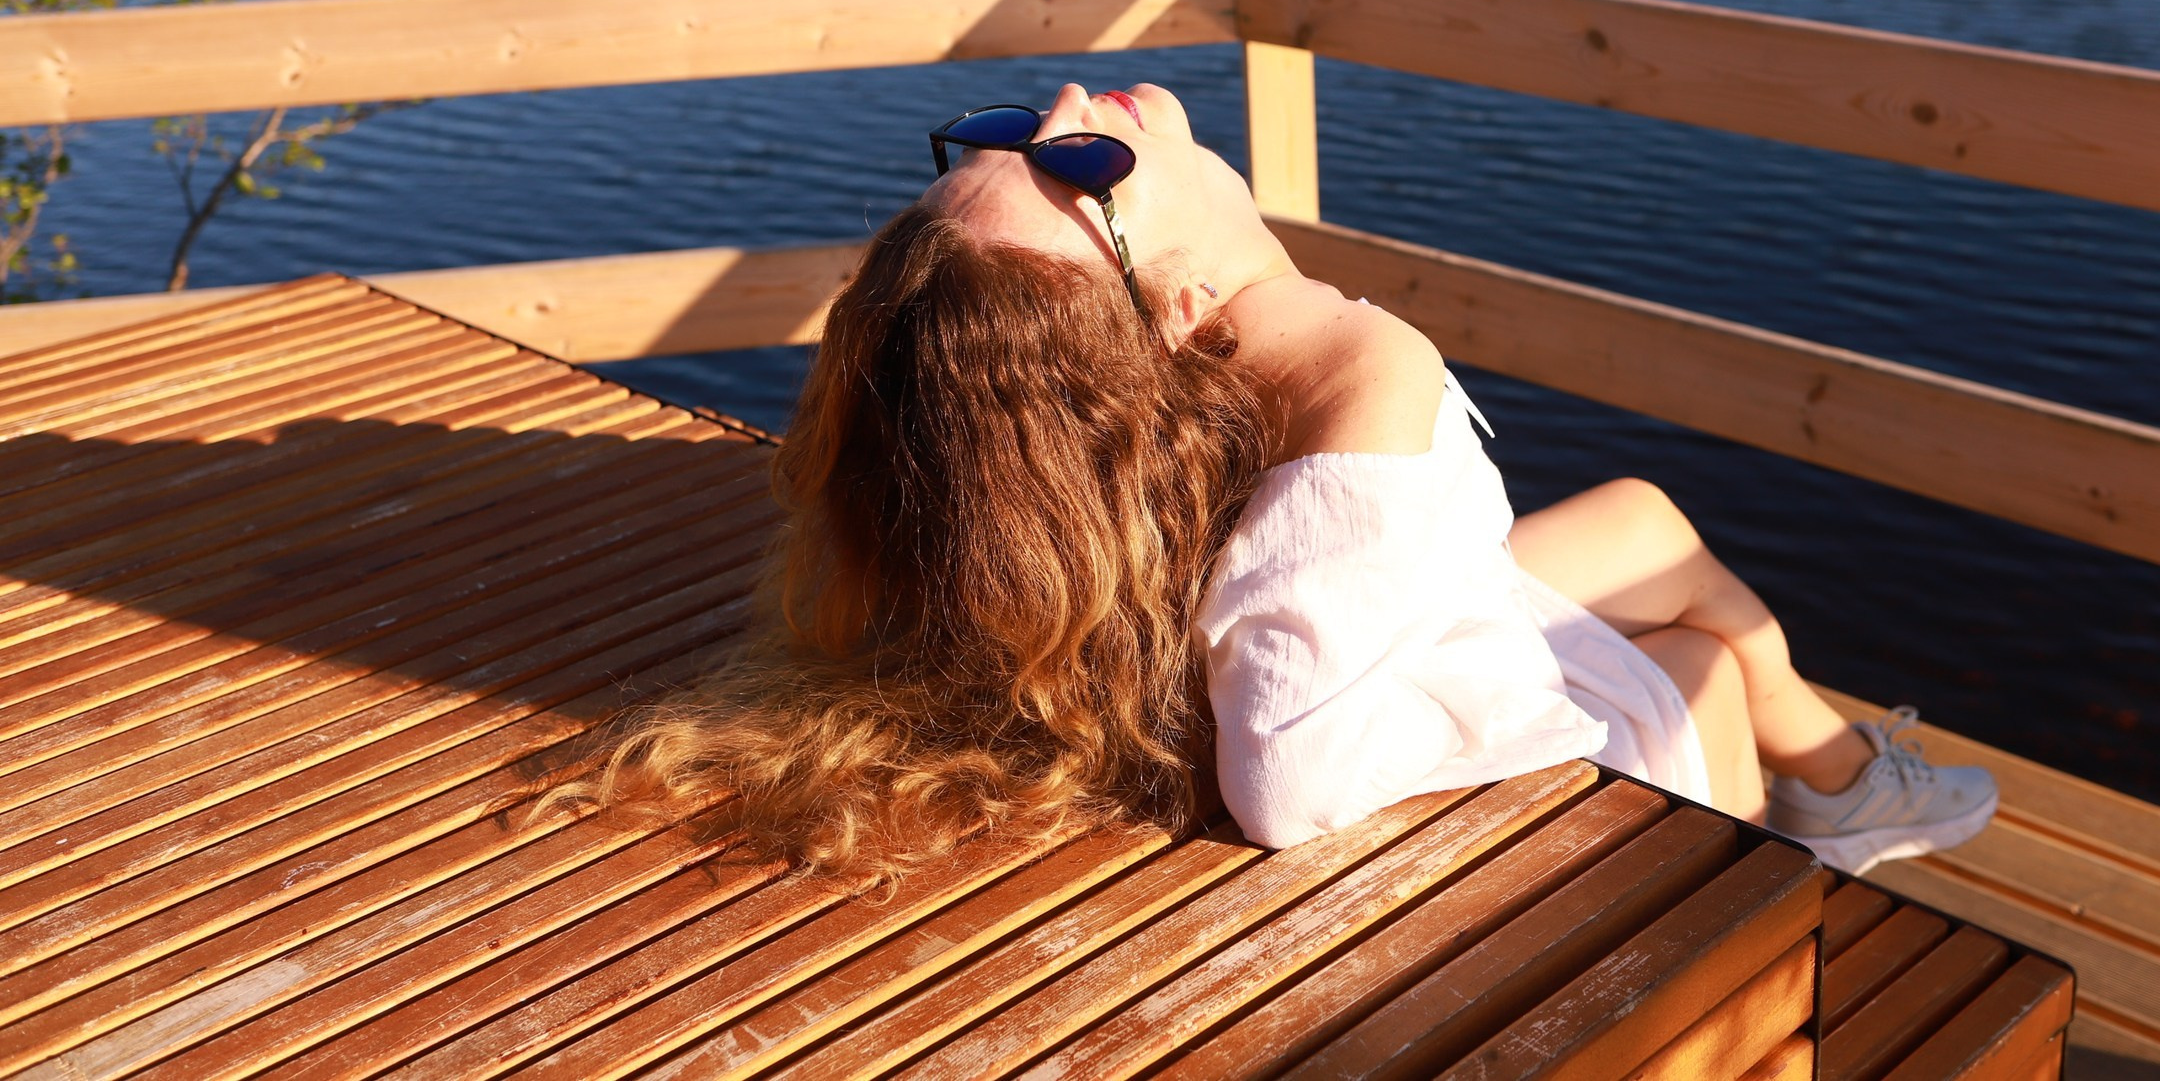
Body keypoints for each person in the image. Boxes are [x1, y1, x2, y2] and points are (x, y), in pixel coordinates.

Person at [553, 81, 1994, 882]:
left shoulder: (1188, 374)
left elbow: (1314, 565)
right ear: (1179, 304)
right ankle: (1784, 895)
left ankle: (1850, 779)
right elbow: (1291, 773)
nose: (1062, 101)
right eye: (1080, 164)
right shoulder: (1367, 376)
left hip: (1356, 607)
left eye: (1009, 137)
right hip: (1409, 684)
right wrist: (1503, 707)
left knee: (1647, 524)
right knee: (1697, 666)